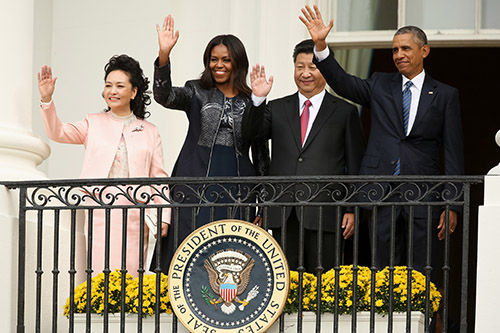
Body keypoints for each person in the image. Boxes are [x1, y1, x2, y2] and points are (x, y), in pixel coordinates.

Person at [300, 5, 464, 280]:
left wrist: (452, 204)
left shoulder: (445, 95)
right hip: (381, 191)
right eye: (395, 50)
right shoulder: (380, 84)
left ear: (424, 51)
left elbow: (453, 151)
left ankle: (419, 321)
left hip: (422, 191)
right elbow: (342, 83)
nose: (399, 55)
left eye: (405, 49)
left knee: (423, 267)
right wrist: (321, 47)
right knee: (382, 267)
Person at [151, 15, 269, 273]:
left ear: (238, 62)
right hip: (194, 181)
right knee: (189, 253)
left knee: (230, 257)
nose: (219, 65)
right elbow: (164, 95)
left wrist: (263, 203)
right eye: (214, 59)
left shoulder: (253, 100)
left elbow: (261, 154)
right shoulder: (196, 90)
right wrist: (163, 56)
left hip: (237, 189)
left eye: (226, 59)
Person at [38, 55, 170, 277]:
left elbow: (158, 177)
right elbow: (57, 132)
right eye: (108, 85)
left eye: (120, 86)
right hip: (98, 208)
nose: (113, 91)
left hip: (136, 213)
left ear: (134, 92)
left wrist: (163, 214)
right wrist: (47, 100)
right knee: (99, 271)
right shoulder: (93, 122)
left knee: (131, 274)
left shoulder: (150, 131)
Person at [242, 39, 365, 274]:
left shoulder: (344, 111)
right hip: (283, 212)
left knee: (325, 284)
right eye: (300, 67)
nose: (306, 73)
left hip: (326, 210)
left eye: (313, 67)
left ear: (326, 70)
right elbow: (250, 133)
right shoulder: (277, 108)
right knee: (284, 284)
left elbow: (355, 163)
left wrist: (352, 208)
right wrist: (257, 100)